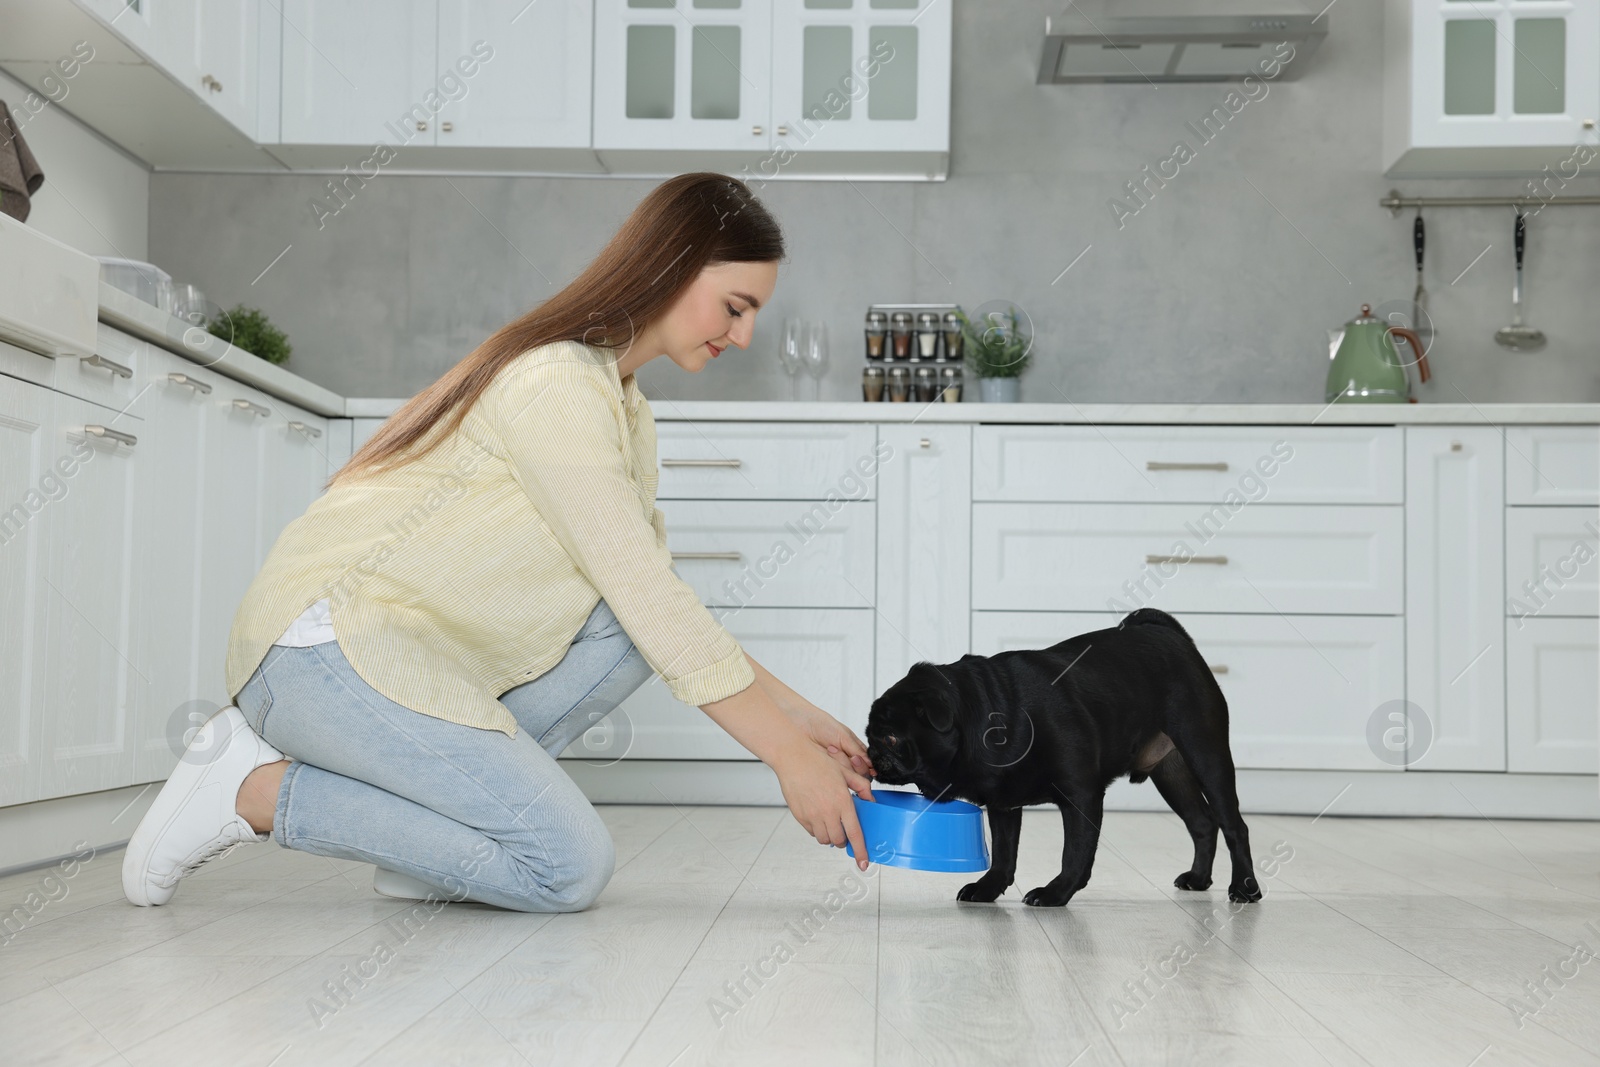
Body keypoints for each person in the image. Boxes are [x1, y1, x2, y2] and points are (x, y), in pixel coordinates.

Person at [122, 172, 878, 913]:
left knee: (623, 629)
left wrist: (801, 719)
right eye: (736, 307)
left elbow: (652, 604)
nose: (743, 335)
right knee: (566, 866)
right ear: (673, 268)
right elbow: (653, 600)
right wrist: (783, 754)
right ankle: (249, 788)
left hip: (400, 659)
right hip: (319, 654)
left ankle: (432, 848)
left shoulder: (625, 405)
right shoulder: (555, 383)